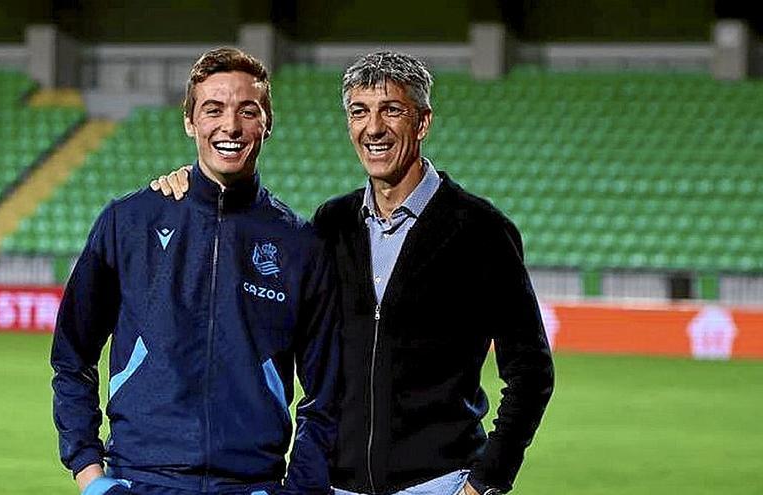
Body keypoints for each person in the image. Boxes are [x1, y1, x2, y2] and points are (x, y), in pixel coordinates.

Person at [152, 51, 554, 495]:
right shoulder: (331, 224)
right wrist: (192, 188)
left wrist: (485, 482)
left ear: (422, 122)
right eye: (359, 112)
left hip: (440, 482)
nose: (374, 128)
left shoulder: (480, 230)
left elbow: (531, 372)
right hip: (337, 485)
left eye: (391, 110)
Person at [52, 47, 341, 495]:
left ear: (268, 123)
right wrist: (90, 474)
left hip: (251, 484)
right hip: (139, 480)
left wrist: (300, 488)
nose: (230, 126)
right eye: (213, 109)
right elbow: (72, 354)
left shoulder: (300, 244)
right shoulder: (129, 222)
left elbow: (326, 394)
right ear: (190, 122)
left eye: (248, 111)